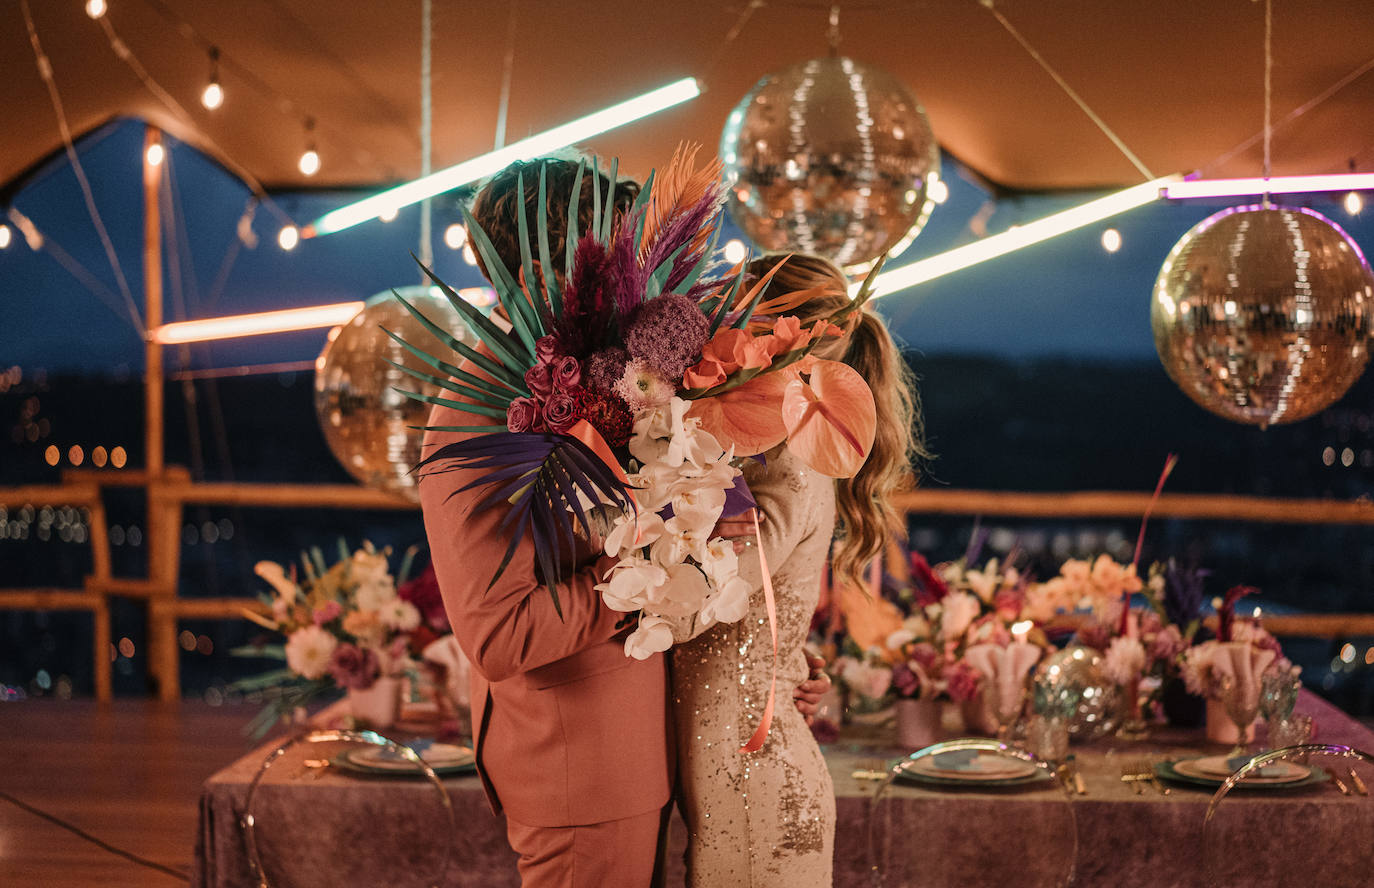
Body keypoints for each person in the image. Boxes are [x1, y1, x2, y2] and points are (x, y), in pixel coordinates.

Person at [418, 157, 830, 888]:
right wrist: (651, 572)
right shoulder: (482, 415)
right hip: (582, 766)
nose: (632, 272)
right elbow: (500, 635)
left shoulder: (584, 377)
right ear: (558, 261)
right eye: (616, 250)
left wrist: (767, 663)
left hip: (632, 754)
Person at [668, 252, 925, 886]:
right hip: (739, 774)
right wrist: (796, 662)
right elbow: (762, 604)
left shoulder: (787, 458)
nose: (711, 340)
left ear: (774, 340)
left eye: (728, 319)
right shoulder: (762, 451)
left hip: (756, 785)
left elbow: (699, 605)